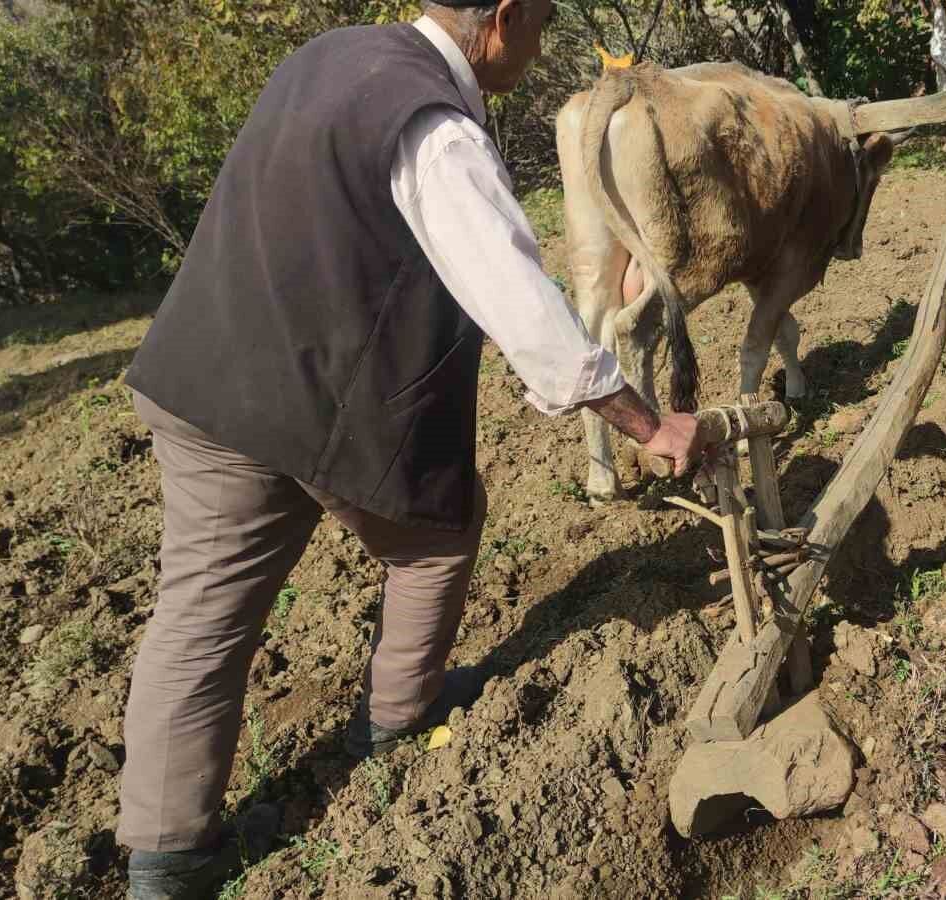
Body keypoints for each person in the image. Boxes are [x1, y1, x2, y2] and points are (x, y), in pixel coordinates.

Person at [114, 1, 701, 896]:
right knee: (438, 532)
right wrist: (649, 424)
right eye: (539, 22)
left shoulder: (329, 57)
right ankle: (395, 721)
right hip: (316, 395)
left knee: (199, 618)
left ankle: (166, 863)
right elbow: (521, 307)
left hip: (202, 378)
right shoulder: (432, 123)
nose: (541, 44)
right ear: (500, 18)